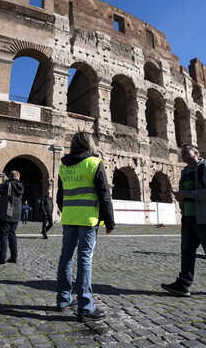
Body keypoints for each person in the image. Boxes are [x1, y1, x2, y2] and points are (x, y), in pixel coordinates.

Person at [56, 132, 115, 322]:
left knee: (66, 257)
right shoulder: (94, 163)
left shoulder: (63, 165)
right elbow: (104, 193)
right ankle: (86, 307)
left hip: (69, 216)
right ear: (90, 144)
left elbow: (60, 195)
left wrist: (65, 210)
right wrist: (110, 221)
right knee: (84, 260)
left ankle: (64, 299)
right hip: (89, 218)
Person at [161, 143, 206, 297]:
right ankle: (183, 284)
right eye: (182, 153)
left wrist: (187, 194)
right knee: (187, 251)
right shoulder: (185, 171)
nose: (183, 154)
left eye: (187, 152)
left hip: (204, 217)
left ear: (196, 152)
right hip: (188, 216)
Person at [0, 170, 24, 264]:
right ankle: (14, 257)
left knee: (4, 235)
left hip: (6, 212)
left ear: (10, 176)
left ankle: (2, 257)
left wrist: (5, 182)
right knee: (12, 234)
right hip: (16, 213)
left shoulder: (7, 185)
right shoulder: (21, 186)